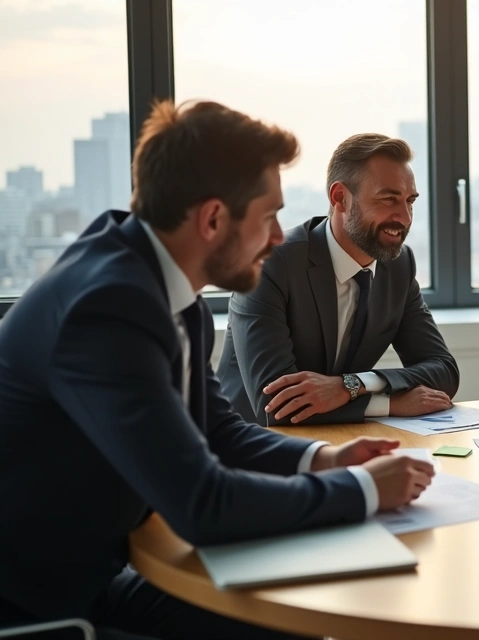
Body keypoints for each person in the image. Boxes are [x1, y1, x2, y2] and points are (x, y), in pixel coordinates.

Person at [0, 101, 435, 639]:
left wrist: (326, 458)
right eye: (267, 216)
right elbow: (203, 505)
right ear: (211, 219)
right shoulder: (108, 306)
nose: (279, 237)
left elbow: (218, 428)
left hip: (97, 575)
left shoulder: (167, 288)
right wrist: (362, 490)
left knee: (289, 611)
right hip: (43, 613)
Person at [217, 133, 459, 426]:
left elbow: (443, 371)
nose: (405, 217)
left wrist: (351, 385)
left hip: (337, 439)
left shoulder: (398, 265)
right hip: (249, 447)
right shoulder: (270, 264)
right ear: (340, 198)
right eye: (388, 199)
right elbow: (276, 405)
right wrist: (388, 403)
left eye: (410, 201)